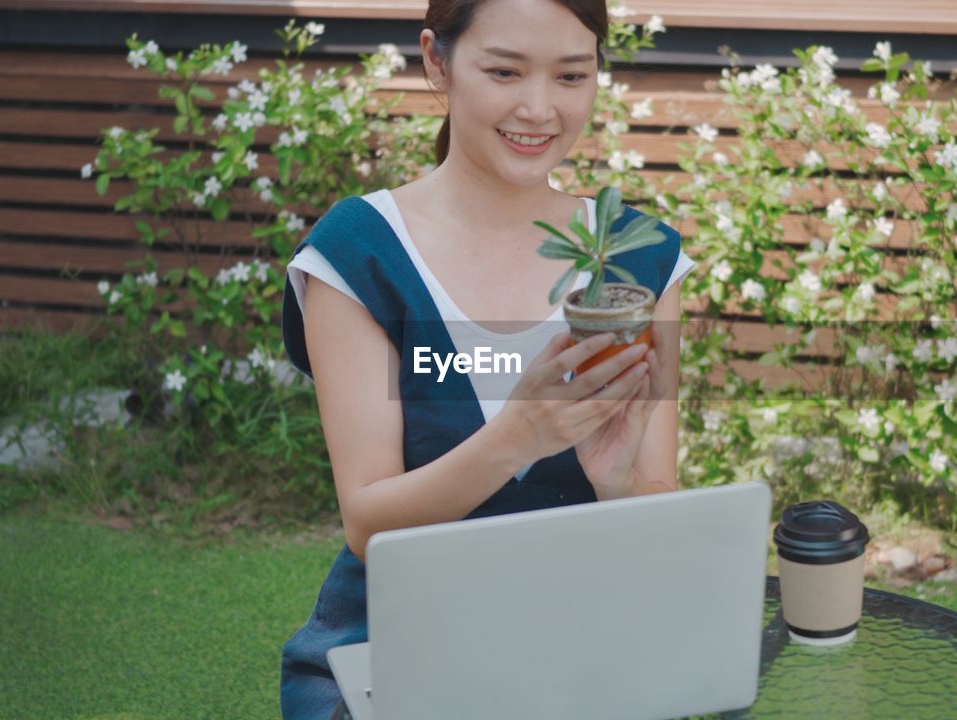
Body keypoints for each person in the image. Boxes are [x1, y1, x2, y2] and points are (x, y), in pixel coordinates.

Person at [277, 0, 695, 716]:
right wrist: (519, 436)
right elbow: (368, 524)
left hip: (581, 652)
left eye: (572, 75)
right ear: (437, 60)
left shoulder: (641, 257)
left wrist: (616, 485)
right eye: (504, 71)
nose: (539, 109)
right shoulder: (359, 252)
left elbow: (655, 507)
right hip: (398, 657)